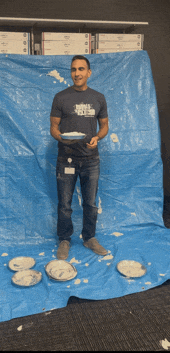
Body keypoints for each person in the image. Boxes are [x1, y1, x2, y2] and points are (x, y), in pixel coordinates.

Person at [50, 55, 109, 260]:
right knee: (65, 204)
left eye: (81, 69)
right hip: (66, 159)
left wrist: (97, 138)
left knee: (90, 203)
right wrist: (62, 139)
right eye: (74, 69)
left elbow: (104, 127)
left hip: (91, 159)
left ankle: (89, 237)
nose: (77, 73)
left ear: (89, 72)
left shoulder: (98, 98)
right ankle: (64, 239)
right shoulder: (60, 97)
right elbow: (54, 128)